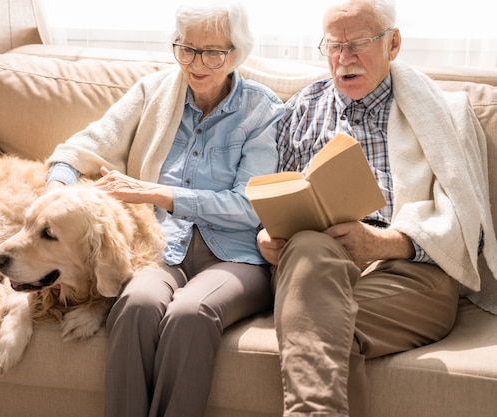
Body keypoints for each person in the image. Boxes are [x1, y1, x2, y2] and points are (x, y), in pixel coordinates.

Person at [256, 0, 497, 416]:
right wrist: (265, 234)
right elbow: (275, 192)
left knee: (318, 327)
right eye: (333, 46)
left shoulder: (444, 113)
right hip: (312, 264)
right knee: (311, 253)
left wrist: (384, 242)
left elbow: (465, 227)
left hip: (408, 273)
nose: (344, 59)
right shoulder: (300, 109)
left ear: (393, 43)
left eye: (358, 44)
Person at [46, 2, 285, 416]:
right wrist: (52, 199)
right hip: (160, 247)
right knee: (136, 304)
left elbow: (251, 206)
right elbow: (78, 151)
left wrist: (157, 194)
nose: (197, 63)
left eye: (213, 52)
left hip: (236, 256)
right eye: (187, 49)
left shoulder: (263, 110)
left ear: (238, 52)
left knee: (191, 313)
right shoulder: (153, 92)